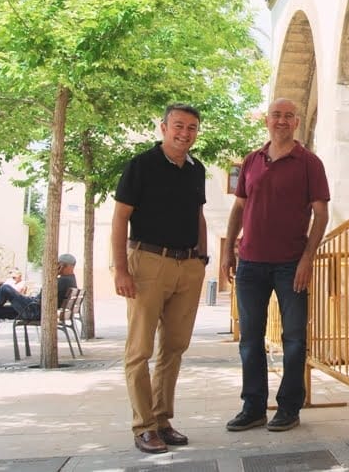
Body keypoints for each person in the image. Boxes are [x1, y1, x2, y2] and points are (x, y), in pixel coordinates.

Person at [222, 97, 330, 434]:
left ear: (296, 123)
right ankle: (253, 407)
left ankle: (289, 408)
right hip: (251, 264)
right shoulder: (252, 160)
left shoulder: (309, 162)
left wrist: (307, 259)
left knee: (294, 339)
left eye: (288, 116)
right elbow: (239, 207)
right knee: (250, 339)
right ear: (267, 120)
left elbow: (321, 213)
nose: (281, 121)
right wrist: (229, 250)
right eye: (276, 115)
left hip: (289, 265)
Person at [112, 103, 209, 455]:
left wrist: (202, 256)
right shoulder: (141, 166)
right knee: (140, 350)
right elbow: (120, 218)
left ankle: (162, 420)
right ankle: (143, 426)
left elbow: (199, 214)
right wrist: (121, 269)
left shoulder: (196, 170)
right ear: (163, 127)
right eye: (179, 126)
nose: (185, 133)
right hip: (148, 262)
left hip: (188, 266)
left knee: (174, 347)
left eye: (192, 128)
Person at [0, 254, 77, 360]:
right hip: (35, 307)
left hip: (35, 310)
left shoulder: (62, 280)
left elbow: (45, 297)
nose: (57, 266)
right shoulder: (69, 279)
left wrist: (53, 275)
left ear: (65, 266)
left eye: (59, 264)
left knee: (5, 288)